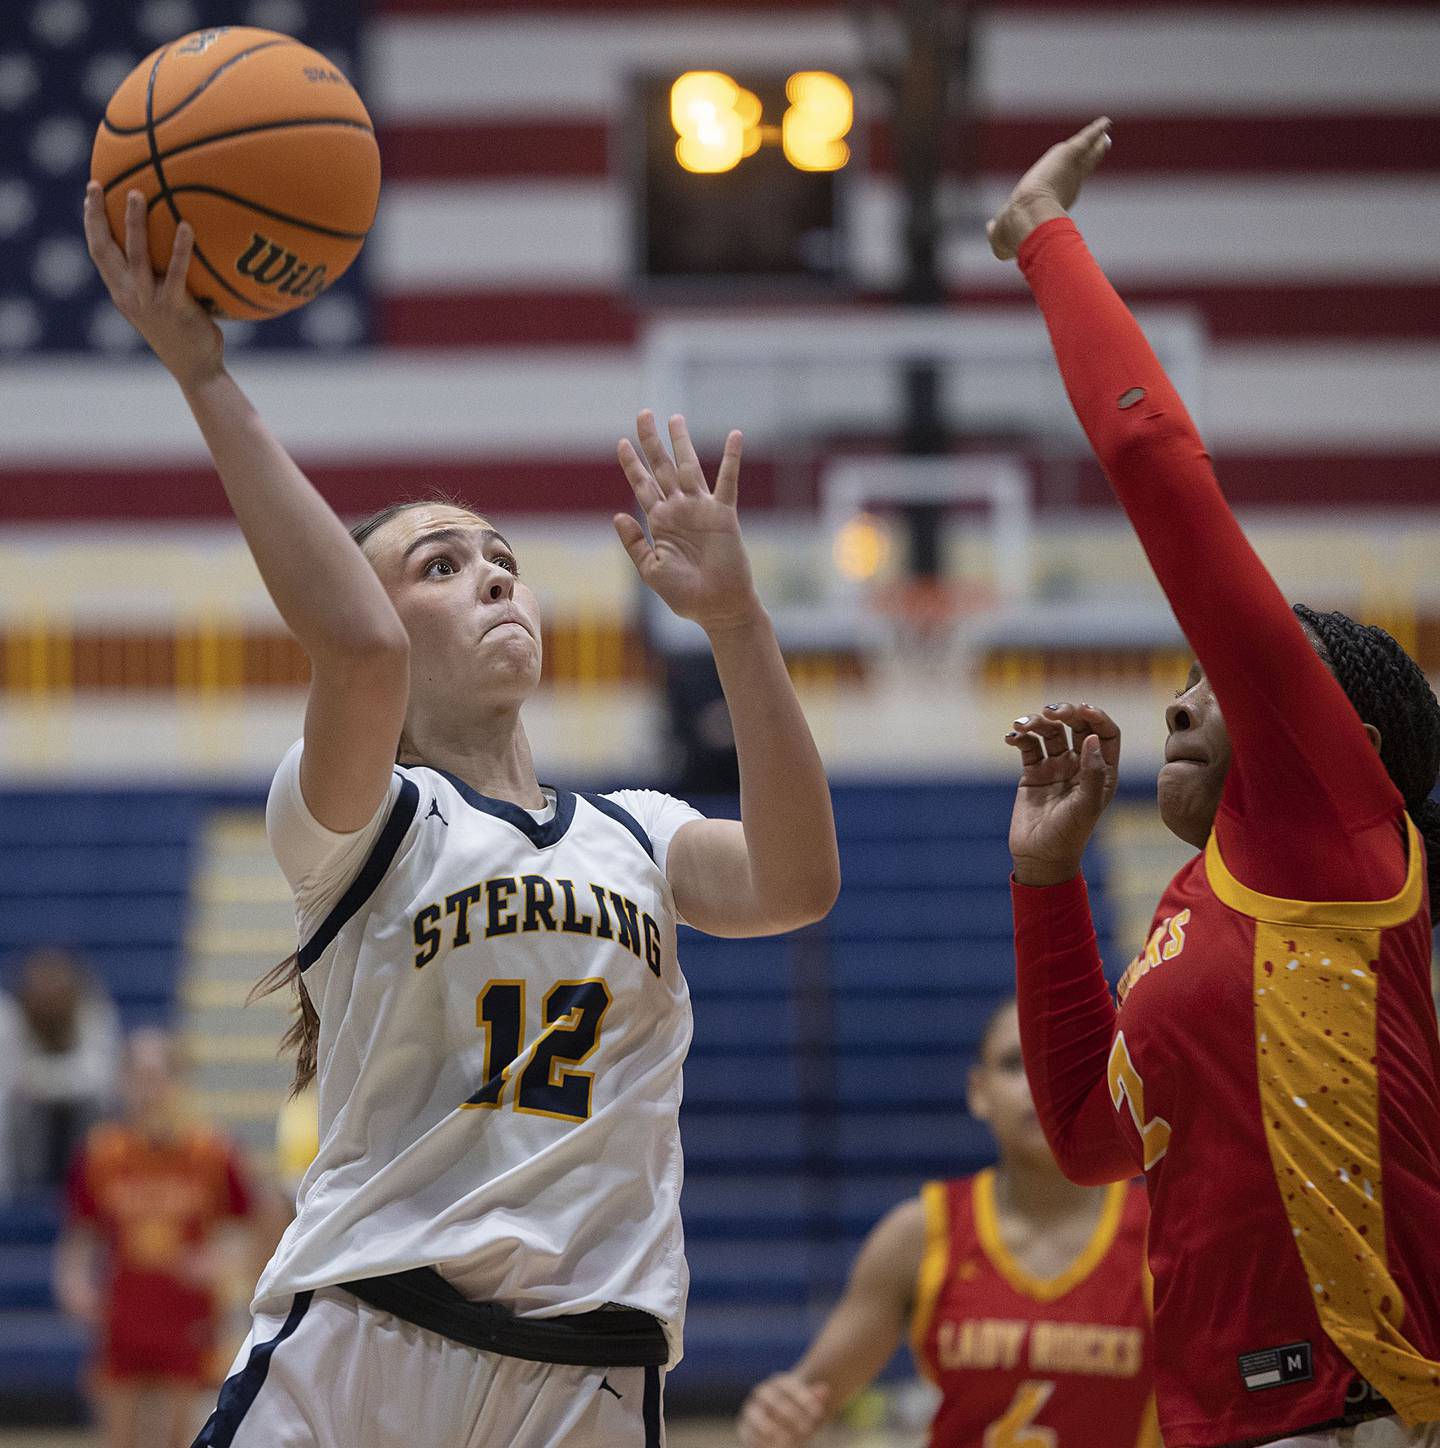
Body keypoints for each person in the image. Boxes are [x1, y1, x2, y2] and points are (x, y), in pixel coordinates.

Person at [82, 182, 840, 1448]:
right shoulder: (361, 818)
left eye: (502, 560)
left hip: (589, 1371)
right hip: (366, 1344)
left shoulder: (639, 832)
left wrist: (737, 622)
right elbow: (359, 650)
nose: (491, 574)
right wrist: (205, 375)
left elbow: (798, 881)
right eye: (440, 564)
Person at [992, 121, 1440, 1447]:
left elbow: (1157, 470)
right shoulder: (1202, 907)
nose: (1183, 701)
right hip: (1216, 1422)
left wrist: (1043, 235)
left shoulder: (1331, 827)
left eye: (1223, 678)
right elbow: (1091, 1136)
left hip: (1363, 1409)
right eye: (1184, 679)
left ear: (1343, 734)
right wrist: (1045, 879)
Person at [737, 999, 1157, 1448]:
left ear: (1107, 1082)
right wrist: (775, 1415)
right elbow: (809, 1396)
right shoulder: (919, 1233)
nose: (1039, 1082)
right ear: (979, 1091)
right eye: (1014, 1064)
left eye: (1065, 1061)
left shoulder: (1162, 1232)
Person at [54, 1029, 260, 1448]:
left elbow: (251, 1230)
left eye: (158, 1077)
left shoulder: (213, 1152)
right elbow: (80, 1234)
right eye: (139, 1078)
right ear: (123, 1083)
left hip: (188, 1318)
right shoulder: (101, 1153)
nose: (149, 1090)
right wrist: (73, 1283)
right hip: (123, 1316)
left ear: (178, 1082)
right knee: (119, 1437)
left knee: (179, 1437)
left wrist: (219, 1262)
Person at [0, 946, 121, 1197]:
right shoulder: (13, 1017)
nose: (49, 995)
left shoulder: (92, 1012)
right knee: (22, 1109)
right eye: (41, 987)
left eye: (56, 986)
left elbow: (97, 1075)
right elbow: (14, 1077)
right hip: (30, 1119)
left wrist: (41, 1081)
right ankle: (29, 1189)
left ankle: (89, 1181)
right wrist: (53, 1081)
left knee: (90, 1107)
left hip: (81, 1113)